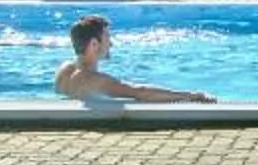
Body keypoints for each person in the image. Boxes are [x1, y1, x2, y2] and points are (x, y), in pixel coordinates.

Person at [55, 14, 215, 104]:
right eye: (107, 37)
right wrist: (193, 96)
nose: (111, 43)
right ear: (94, 44)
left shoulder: (64, 70)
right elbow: (141, 92)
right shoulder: (97, 80)